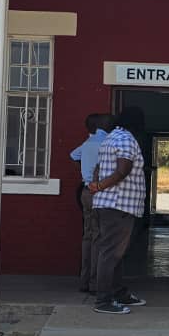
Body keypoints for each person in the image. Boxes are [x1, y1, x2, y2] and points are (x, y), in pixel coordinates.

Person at [87, 107, 148, 315]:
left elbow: (98, 166)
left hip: (110, 204)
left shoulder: (111, 138)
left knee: (116, 254)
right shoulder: (126, 139)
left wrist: (96, 183)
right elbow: (123, 170)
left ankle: (119, 293)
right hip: (118, 204)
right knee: (110, 253)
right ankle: (103, 300)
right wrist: (101, 185)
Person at [70, 113, 111, 293]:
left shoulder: (87, 143)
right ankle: (95, 283)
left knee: (87, 236)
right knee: (99, 238)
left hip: (86, 192)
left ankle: (84, 281)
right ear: (101, 126)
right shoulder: (107, 142)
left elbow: (73, 155)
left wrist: (85, 166)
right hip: (99, 193)